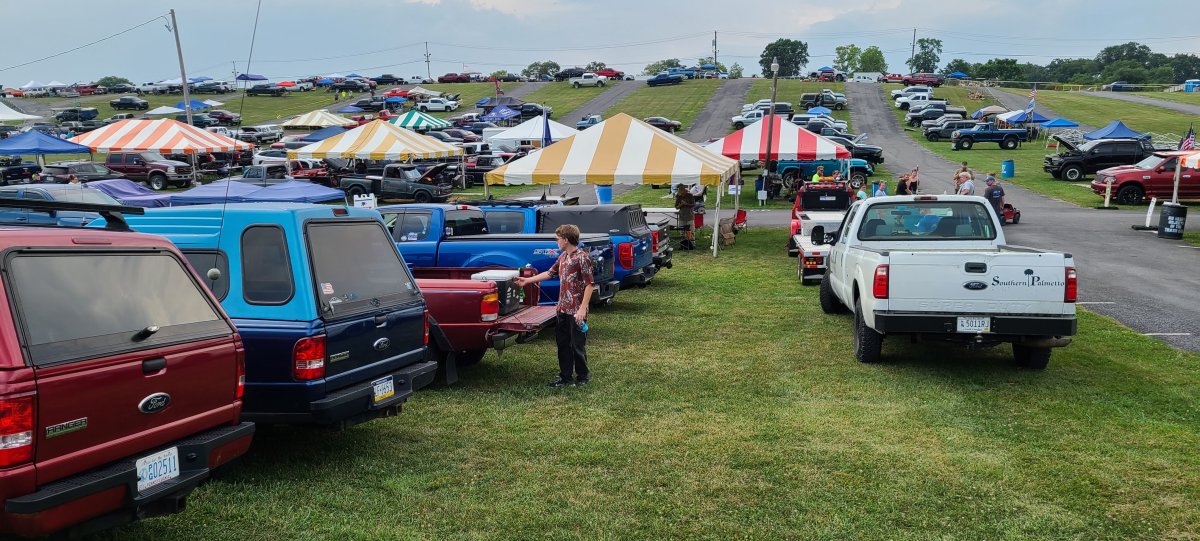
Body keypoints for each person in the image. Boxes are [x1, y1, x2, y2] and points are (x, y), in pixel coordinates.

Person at [515, 225, 593, 388]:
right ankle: (565, 377)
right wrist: (528, 281)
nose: (556, 242)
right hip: (562, 308)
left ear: (566, 240)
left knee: (577, 344)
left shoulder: (582, 257)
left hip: (576, 310)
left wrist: (582, 308)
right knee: (563, 344)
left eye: (557, 239)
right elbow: (550, 273)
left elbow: (589, 284)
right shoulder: (563, 257)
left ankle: (582, 377)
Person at [675, 185, 696, 249]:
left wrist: (686, 204)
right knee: (682, 232)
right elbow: (676, 207)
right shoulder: (679, 197)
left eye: (682, 193)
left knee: (691, 231)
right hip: (682, 215)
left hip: (689, 215)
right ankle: (682, 245)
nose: (681, 194)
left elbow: (693, 205)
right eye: (681, 193)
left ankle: (692, 245)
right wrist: (681, 204)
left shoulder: (690, 196)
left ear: (685, 191)